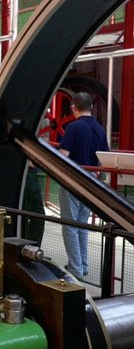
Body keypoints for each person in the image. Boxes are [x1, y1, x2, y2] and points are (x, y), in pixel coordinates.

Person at [58, 91, 110, 278]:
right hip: (91, 181)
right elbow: (105, 158)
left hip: (72, 180)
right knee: (82, 224)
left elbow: (63, 155)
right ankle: (83, 265)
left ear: (73, 108)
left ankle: (75, 268)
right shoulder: (99, 129)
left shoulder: (74, 127)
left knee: (69, 225)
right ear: (91, 107)